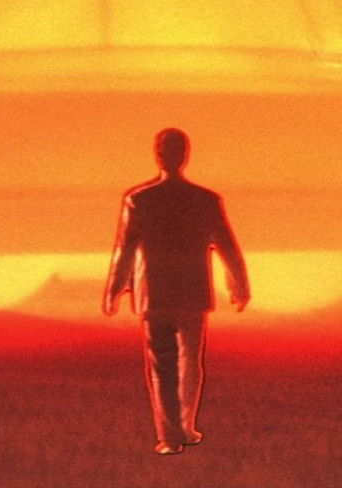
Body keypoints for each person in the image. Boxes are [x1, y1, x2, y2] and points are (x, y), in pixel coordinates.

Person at [103, 128, 250, 455]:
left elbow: (124, 249)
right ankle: (182, 427)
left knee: (165, 367)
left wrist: (114, 288)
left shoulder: (139, 200)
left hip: (155, 294)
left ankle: (172, 436)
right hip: (189, 292)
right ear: (185, 155)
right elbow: (227, 245)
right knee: (189, 363)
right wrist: (239, 282)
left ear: (158, 155)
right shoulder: (205, 200)